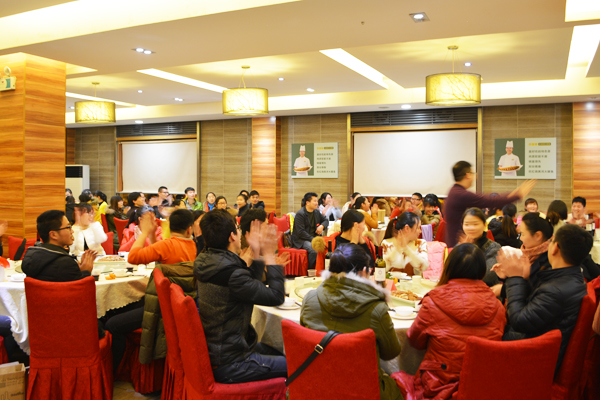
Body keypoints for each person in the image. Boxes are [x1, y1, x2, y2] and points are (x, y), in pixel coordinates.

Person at [400, 243, 506, 400]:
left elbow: (415, 341)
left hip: (439, 386)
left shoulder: (433, 301)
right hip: (482, 387)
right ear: (482, 270)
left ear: (449, 267)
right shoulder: (498, 306)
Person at [194, 210, 287, 383]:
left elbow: (251, 286)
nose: (240, 232)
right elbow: (276, 296)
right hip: (231, 362)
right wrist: (269, 255)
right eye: (238, 229)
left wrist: (256, 252)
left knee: (284, 351)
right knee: (296, 364)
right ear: (232, 236)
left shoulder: (206, 260)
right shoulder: (232, 273)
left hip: (219, 350)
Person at [300, 243, 402, 399]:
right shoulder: (377, 310)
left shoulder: (309, 299)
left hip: (315, 388)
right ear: (363, 272)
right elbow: (391, 353)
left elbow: (303, 345)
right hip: (362, 391)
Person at [106, 209, 196, 372]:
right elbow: (161, 253)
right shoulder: (192, 246)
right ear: (190, 229)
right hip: (175, 304)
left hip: (159, 308)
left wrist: (144, 233)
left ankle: (113, 371)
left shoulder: (168, 245)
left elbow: (133, 257)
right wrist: (153, 235)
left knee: (112, 324)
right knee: (118, 310)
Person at [497, 224, 593, 373]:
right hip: (541, 344)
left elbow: (519, 321)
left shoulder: (556, 290)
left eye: (551, 241)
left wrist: (515, 278)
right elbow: (536, 310)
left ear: (555, 248)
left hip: (537, 358)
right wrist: (524, 278)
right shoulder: (571, 277)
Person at [444, 161, 535, 247]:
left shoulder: (454, 192)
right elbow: (490, 200)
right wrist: (517, 195)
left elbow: (490, 199)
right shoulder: (460, 194)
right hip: (458, 245)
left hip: (456, 243)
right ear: (468, 175)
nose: (474, 176)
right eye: (472, 173)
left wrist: (514, 193)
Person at [458, 208, 501, 287]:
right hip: (462, 290)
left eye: (475, 224)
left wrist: (468, 250)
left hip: (487, 290)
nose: (471, 228)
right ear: (462, 225)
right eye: (467, 224)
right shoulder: (459, 246)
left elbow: (487, 277)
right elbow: (450, 272)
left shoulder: (494, 248)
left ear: (484, 225)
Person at [382, 212, 428, 277]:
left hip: (414, 283)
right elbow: (382, 269)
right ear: (407, 228)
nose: (420, 231)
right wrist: (397, 249)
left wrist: (407, 249)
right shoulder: (387, 243)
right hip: (392, 283)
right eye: (418, 228)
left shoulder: (421, 243)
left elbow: (423, 266)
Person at [291, 192, 329, 269]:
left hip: (313, 237)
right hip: (302, 240)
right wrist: (314, 240)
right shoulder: (300, 214)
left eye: (317, 201)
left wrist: (322, 226)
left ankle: (320, 268)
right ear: (307, 203)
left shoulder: (316, 212)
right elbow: (301, 233)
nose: (317, 203)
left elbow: (326, 220)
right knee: (314, 250)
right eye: (314, 201)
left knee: (328, 246)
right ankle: (309, 269)